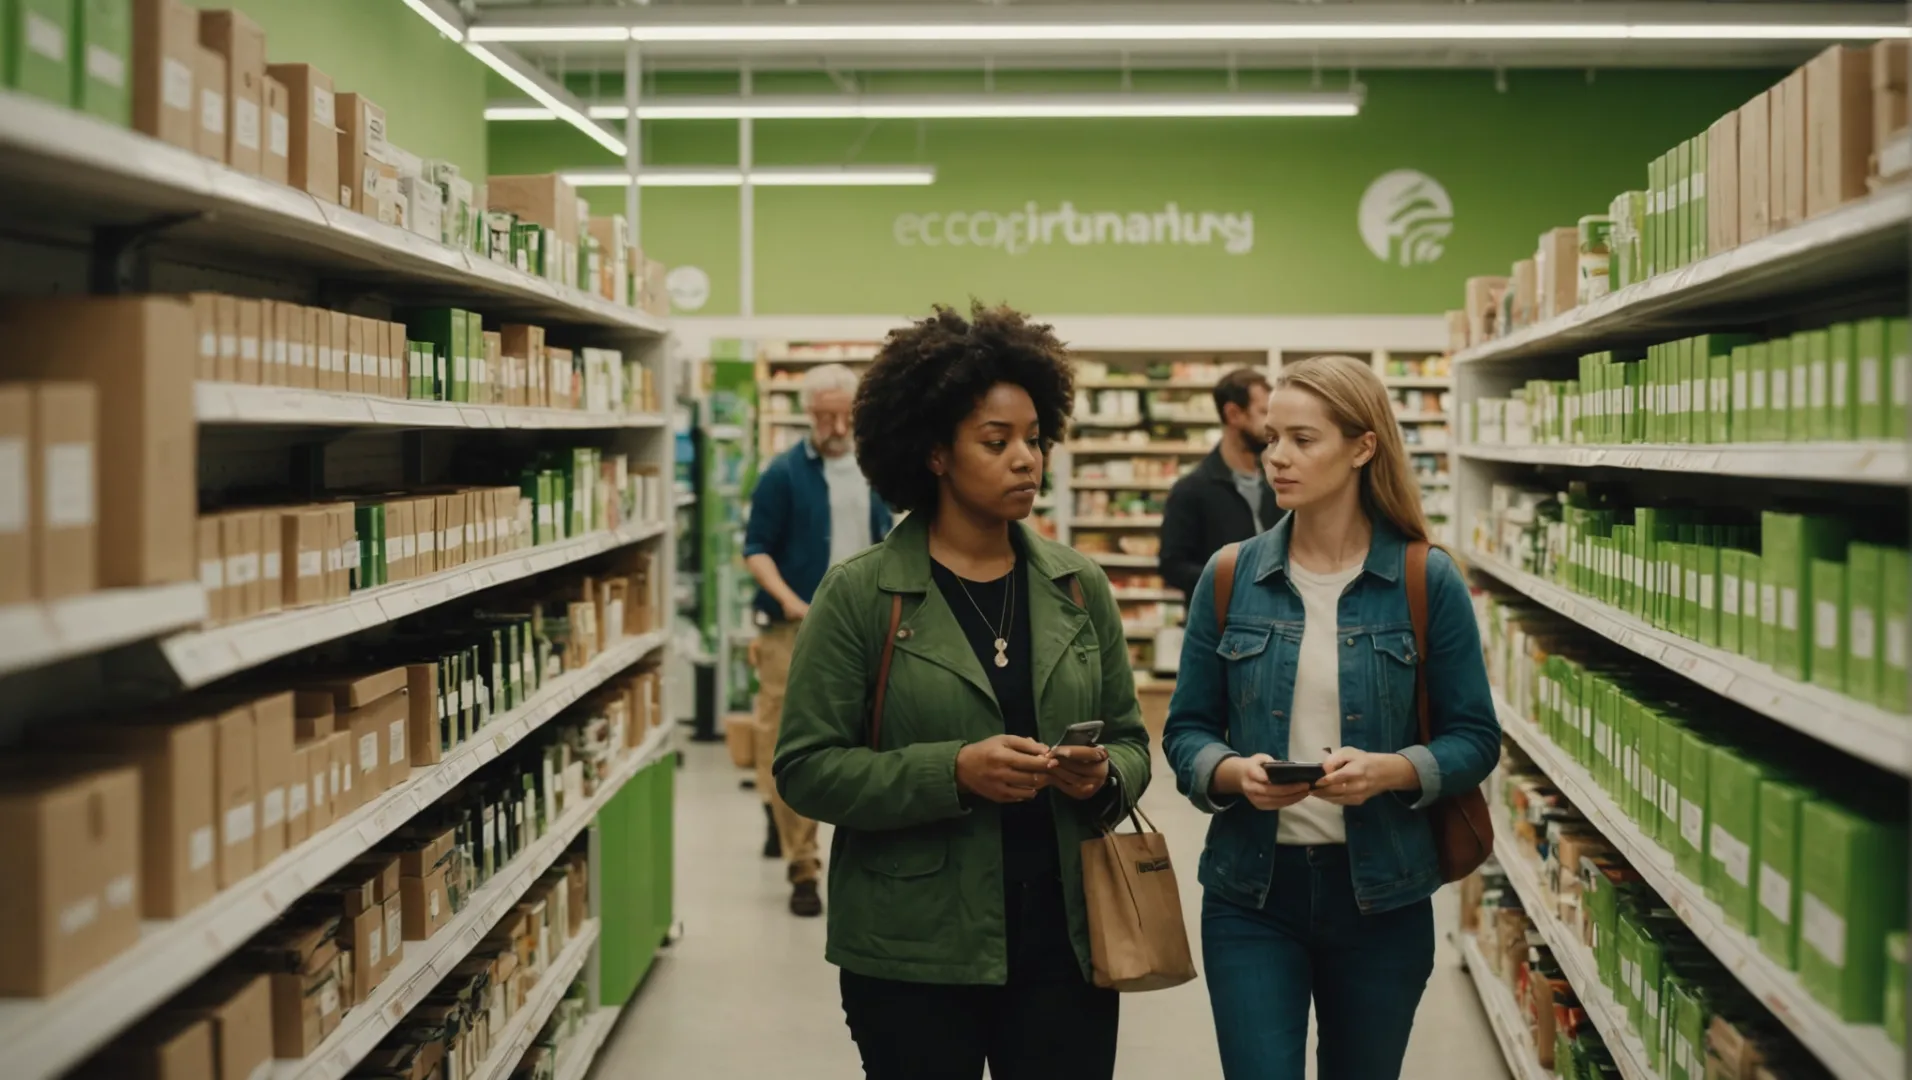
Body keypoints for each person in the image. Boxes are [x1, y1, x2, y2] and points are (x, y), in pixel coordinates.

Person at [772, 303, 1151, 1080]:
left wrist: (1104, 773)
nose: (1026, 460)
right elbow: (806, 768)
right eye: (997, 441)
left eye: (1035, 439)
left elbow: (1131, 741)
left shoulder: (1078, 588)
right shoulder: (861, 595)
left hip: (1065, 945)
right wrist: (952, 772)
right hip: (913, 954)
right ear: (935, 453)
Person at [1160, 354, 1501, 1080]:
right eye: (1271, 438)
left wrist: (1394, 770)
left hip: (1382, 895)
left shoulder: (1423, 578)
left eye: (1302, 440)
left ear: (1362, 447)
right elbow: (1186, 729)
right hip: (1253, 894)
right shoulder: (1229, 577)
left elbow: (1475, 739)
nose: (1277, 457)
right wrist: (1228, 772)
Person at [743, 362, 895, 917]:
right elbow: (756, 548)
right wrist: (788, 599)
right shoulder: (782, 474)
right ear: (808, 414)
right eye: (824, 414)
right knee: (789, 735)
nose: (834, 425)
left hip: (868, 623)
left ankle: (866, 853)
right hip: (794, 625)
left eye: (843, 415)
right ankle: (803, 867)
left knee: (876, 732)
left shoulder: (874, 472)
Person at [1159, 367, 1279, 597]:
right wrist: (1233, 580)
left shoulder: (1277, 483)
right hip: (1217, 628)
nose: (1270, 424)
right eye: (1263, 412)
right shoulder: (1192, 489)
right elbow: (1172, 567)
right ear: (1233, 414)